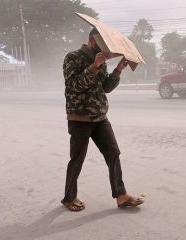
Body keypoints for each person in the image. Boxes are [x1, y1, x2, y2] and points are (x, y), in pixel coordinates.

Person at [61, 28, 144, 211]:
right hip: (80, 118)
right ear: (92, 40)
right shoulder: (72, 57)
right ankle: (69, 197)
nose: (106, 50)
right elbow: (74, 86)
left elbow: (105, 87)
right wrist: (93, 66)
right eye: (102, 45)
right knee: (77, 159)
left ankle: (121, 196)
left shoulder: (103, 60)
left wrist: (119, 69)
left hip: (100, 117)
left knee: (113, 153)